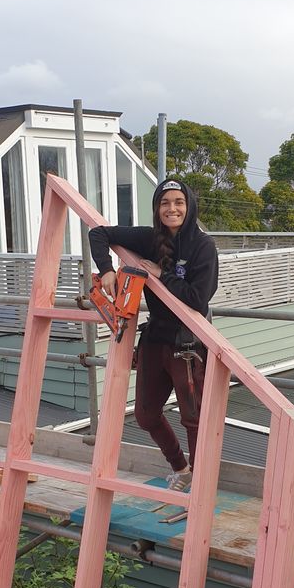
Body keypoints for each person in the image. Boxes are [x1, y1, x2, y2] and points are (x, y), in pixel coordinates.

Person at [88, 178, 219, 491]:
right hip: (155, 338)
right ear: (157, 208)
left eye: (178, 202)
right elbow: (99, 233)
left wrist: (163, 275)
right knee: (146, 415)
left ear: (189, 207)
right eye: (164, 203)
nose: (171, 209)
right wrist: (106, 269)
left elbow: (197, 299)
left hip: (188, 342)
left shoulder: (203, 247)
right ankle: (181, 467)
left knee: (194, 420)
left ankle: (200, 486)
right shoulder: (150, 239)